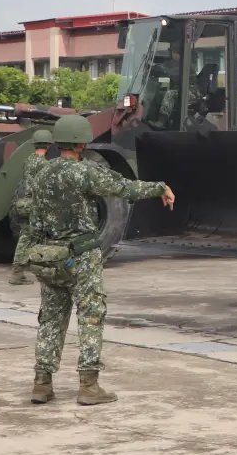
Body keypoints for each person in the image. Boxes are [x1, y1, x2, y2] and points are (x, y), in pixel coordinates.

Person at [27, 114, 174, 405]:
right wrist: (160, 187)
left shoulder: (40, 174)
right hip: (82, 257)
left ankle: (42, 384)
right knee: (91, 316)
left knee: (50, 320)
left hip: (50, 258)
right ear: (82, 143)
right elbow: (125, 188)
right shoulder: (86, 172)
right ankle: (89, 386)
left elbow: (34, 221)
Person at [9, 128, 54, 286]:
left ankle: (22, 271)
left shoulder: (29, 160)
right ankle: (18, 272)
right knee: (29, 238)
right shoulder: (44, 164)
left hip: (22, 203)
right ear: (49, 145)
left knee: (27, 236)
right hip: (33, 204)